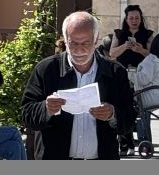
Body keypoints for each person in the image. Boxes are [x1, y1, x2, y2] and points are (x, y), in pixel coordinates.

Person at [21, 11, 136, 160]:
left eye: (85, 43)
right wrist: (46, 108)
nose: (79, 49)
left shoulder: (115, 72)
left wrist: (112, 114)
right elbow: (26, 115)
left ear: (96, 40)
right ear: (65, 40)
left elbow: (130, 119)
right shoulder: (46, 69)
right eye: (73, 43)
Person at [132, 33, 159, 149]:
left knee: (125, 106)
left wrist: (132, 75)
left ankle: (136, 139)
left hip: (147, 97)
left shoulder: (150, 60)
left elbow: (143, 79)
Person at [107, 4, 152, 70]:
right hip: (122, 71)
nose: (134, 21)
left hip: (142, 71)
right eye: (131, 18)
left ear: (141, 19)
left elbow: (153, 56)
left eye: (137, 18)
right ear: (126, 19)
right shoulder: (118, 33)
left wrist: (141, 50)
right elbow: (112, 53)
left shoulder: (148, 34)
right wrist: (124, 46)